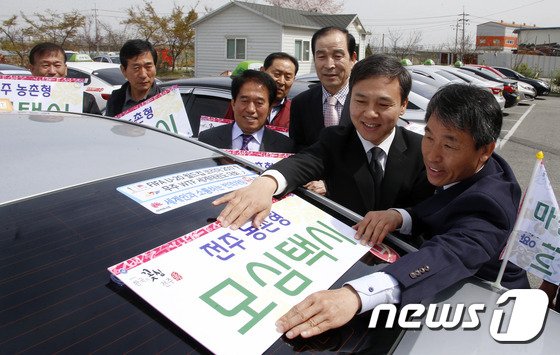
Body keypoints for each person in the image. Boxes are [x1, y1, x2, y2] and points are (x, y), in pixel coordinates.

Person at [274, 83, 530, 340]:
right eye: (429, 137)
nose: (432, 155)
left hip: (496, 311)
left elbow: (449, 253)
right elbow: (441, 208)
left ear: (485, 150)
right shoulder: (471, 167)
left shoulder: (491, 204)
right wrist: (400, 217)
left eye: (449, 146)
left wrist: (355, 295)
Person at [213, 53, 433, 229]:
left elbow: (430, 209)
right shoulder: (335, 140)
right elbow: (301, 163)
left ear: (403, 105)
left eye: (383, 104)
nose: (369, 114)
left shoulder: (421, 150)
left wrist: (400, 217)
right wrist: (265, 184)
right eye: (360, 101)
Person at [289, 26, 357, 151]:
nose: (329, 65)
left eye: (337, 56)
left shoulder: (366, 101)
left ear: (352, 59)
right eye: (321, 56)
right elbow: (297, 149)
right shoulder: (301, 103)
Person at [198, 70, 295, 153]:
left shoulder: (285, 147)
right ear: (233, 103)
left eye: (259, 103)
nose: (250, 109)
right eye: (244, 101)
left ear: (269, 108)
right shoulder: (207, 139)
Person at [223, 52, 298, 129]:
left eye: (288, 77)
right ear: (263, 71)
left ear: (294, 79)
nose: (281, 81)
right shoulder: (242, 104)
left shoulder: (295, 112)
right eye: (277, 74)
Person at [28, 42, 101, 115]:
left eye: (57, 65)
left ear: (65, 69)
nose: (52, 71)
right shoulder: (19, 97)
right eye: (45, 65)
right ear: (32, 69)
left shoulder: (85, 100)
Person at [105, 39, 161, 117]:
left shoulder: (167, 100)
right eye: (136, 68)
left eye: (148, 66)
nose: (143, 75)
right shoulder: (115, 99)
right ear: (124, 70)